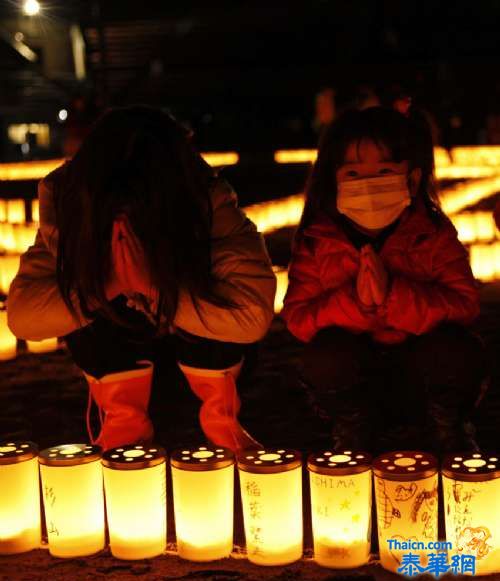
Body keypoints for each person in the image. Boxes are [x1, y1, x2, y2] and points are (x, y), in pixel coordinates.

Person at [7, 105, 276, 453]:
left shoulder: (209, 203)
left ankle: (222, 425)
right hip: (124, 360)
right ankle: (124, 432)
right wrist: (111, 284)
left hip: (207, 359)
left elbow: (251, 315)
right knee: (83, 294)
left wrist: (156, 288)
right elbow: (24, 316)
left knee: (208, 290)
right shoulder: (69, 206)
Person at [281, 106, 485, 455]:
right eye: (354, 172)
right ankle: (353, 429)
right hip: (358, 377)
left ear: (413, 179)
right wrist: (357, 304)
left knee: (458, 348)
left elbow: (465, 304)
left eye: (385, 171)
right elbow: (298, 319)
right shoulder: (318, 240)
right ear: (333, 179)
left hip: (420, 373)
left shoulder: (432, 234)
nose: (369, 185)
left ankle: (447, 428)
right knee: (325, 354)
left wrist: (394, 296)